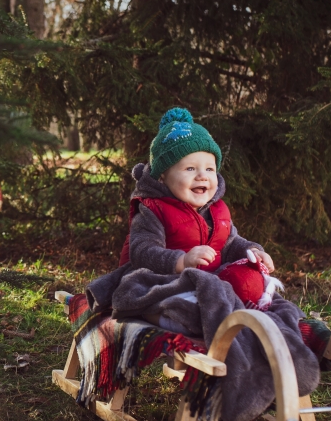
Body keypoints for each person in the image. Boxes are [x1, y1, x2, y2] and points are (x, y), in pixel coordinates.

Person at [118, 107, 282, 310]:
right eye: (190, 168)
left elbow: (230, 244)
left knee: (253, 288)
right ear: (162, 176)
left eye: (209, 169)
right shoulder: (153, 210)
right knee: (166, 299)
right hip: (165, 282)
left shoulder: (217, 210)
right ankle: (171, 319)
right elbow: (142, 251)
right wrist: (182, 260)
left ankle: (246, 314)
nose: (202, 176)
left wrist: (253, 251)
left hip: (209, 283)